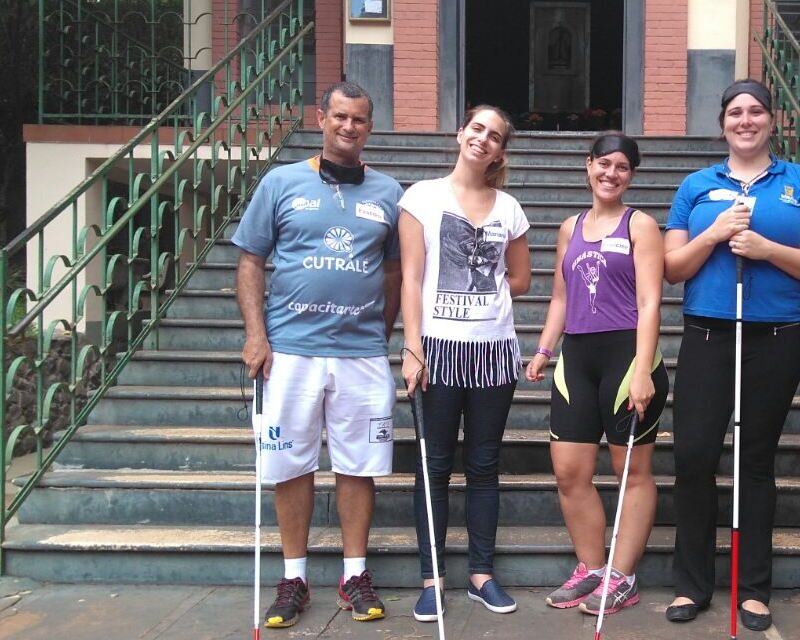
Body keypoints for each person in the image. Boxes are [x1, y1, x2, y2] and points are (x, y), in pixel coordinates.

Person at [663, 79, 800, 631]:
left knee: (755, 460)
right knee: (693, 456)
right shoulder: (696, 184)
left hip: (778, 334)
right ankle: (692, 585)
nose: (745, 120)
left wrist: (765, 249)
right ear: (722, 123)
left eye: (755, 111)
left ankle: (753, 588)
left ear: (771, 120)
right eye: (734, 111)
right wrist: (714, 233)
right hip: (710, 332)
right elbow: (674, 267)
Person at [234, 81, 402, 629]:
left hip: (360, 353)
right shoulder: (281, 182)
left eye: (358, 119)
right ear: (321, 119)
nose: (347, 126)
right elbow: (252, 261)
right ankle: (295, 578)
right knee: (291, 464)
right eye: (339, 117)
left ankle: (354, 574)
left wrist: (384, 328)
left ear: (368, 127)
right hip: (290, 350)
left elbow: (397, 271)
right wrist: (256, 335)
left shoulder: (389, 193)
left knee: (359, 466)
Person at [397, 104, 531, 622]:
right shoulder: (421, 197)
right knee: (432, 466)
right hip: (437, 349)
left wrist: (485, 275)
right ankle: (432, 579)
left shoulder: (509, 208)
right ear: (461, 134)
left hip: (493, 350)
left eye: (495, 136)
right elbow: (411, 277)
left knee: (483, 464)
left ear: (500, 150)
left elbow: (520, 279)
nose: (484, 139)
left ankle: (480, 574)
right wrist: (413, 348)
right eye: (477, 128)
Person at [525, 132, 668, 615]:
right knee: (569, 472)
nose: (611, 174)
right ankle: (591, 569)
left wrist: (645, 370)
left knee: (631, 471)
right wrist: (545, 349)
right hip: (577, 358)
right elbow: (561, 297)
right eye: (603, 164)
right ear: (588, 166)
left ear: (631, 176)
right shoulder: (571, 227)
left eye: (622, 167)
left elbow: (651, 302)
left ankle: (622, 576)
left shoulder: (641, 226)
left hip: (628, 356)